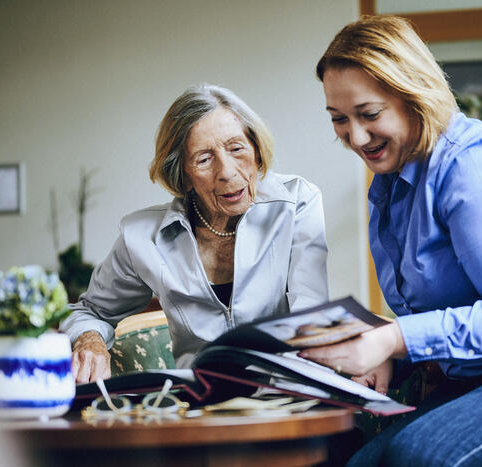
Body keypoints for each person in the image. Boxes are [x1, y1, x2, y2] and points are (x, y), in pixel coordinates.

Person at [299, 15, 482, 467]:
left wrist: (395, 339)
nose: (355, 137)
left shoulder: (473, 167)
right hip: (475, 378)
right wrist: (383, 350)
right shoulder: (390, 183)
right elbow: (436, 309)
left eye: (369, 114)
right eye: (338, 119)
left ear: (413, 94)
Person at [62, 84, 329, 382]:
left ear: (256, 150)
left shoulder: (296, 204)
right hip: (201, 401)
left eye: (236, 148)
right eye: (204, 159)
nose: (227, 171)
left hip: (288, 394)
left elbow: (312, 317)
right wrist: (90, 340)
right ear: (183, 174)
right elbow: (89, 312)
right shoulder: (143, 237)